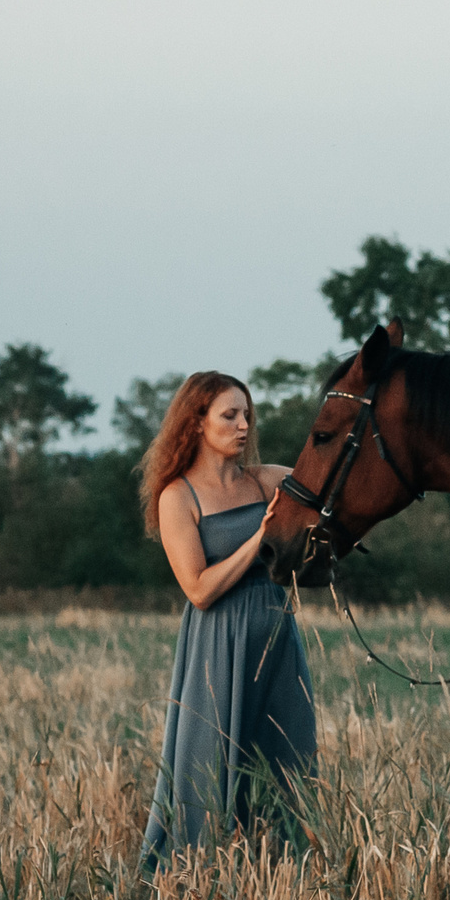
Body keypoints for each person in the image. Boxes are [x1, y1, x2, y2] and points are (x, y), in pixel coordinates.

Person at [135, 371, 317, 871]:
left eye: (246, 415)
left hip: (277, 634)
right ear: (196, 423)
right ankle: (194, 873)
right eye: (229, 415)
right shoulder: (178, 496)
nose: (243, 425)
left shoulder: (268, 480)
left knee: (288, 757)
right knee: (208, 760)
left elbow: (329, 486)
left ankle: (284, 872)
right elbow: (198, 589)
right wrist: (260, 538)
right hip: (218, 638)